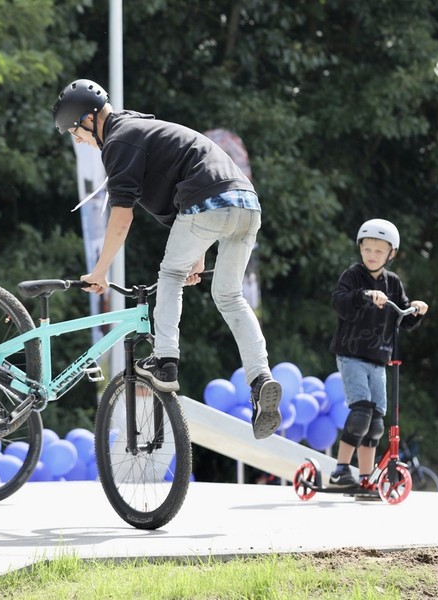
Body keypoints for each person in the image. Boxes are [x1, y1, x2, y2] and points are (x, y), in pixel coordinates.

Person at [52, 78, 282, 439]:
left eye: (74, 133)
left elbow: (121, 217)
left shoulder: (118, 140)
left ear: (87, 119)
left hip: (207, 202)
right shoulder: (141, 128)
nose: (78, 141)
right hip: (246, 204)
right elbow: (200, 175)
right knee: (230, 296)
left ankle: (165, 362)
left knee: (170, 275)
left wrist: (99, 270)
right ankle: (261, 380)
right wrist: (199, 255)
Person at [328, 219, 429, 489]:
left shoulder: (393, 283)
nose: (372, 255)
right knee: (361, 411)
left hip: (379, 360)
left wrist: (416, 309)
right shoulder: (352, 276)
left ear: (391, 254)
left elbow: (405, 319)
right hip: (351, 355)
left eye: (379, 251)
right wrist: (364, 295)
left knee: (375, 423)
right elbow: (340, 302)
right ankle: (340, 470)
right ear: (360, 248)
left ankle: (365, 478)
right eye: (367, 249)